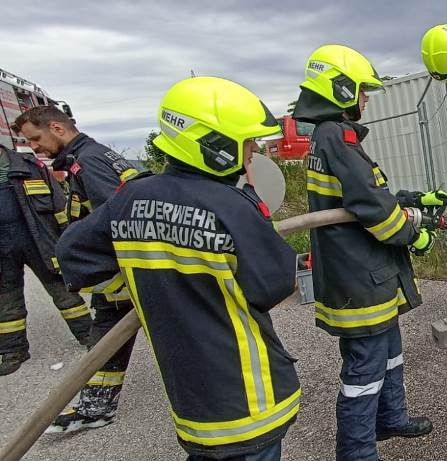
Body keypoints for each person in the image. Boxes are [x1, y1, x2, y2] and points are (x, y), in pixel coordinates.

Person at [56, 76, 300, 460]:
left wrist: (144, 286)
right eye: (247, 142)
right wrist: (253, 203)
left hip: (192, 405)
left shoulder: (130, 196)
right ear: (215, 145)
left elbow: (73, 255)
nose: (253, 151)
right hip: (249, 400)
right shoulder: (231, 206)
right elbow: (276, 284)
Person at [293, 44, 442, 461]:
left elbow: (362, 197)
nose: (366, 99)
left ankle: (391, 419)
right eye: (362, 91)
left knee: (390, 354)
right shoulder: (336, 137)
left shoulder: (329, 138)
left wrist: (412, 199)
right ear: (341, 90)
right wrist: (413, 236)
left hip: (366, 274)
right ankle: (357, 452)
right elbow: (374, 210)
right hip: (359, 278)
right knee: (364, 372)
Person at [12, 106, 140, 430]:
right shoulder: (93, 155)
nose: (34, 148)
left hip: (124, 268)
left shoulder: (88, 162)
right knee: (109, 332)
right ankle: (96, 405)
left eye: (35, 139)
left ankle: (96, 406)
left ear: (57, 128)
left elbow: (119, 217)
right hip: (125, 267)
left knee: (119, 331)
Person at [0, 144, 91, 376]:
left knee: (61, 289)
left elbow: (59, 204)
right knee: (6, 298)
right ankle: (13, 351)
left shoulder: (29, 166)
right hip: (2, 247)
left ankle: (88, 335)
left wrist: (66, 238)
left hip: (38, 239)